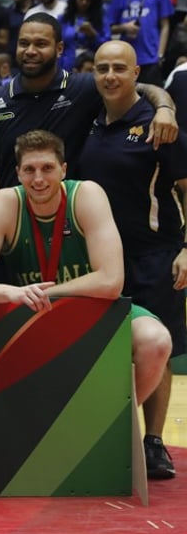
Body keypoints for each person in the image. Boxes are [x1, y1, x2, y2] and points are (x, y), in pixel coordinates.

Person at [0, 128, 172, 475]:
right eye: (29, 170)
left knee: (157, 341)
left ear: (63, 169)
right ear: (17, 173)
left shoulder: (87, 195)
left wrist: (48, 291)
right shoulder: (5, 203)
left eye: (47, 168)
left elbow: (110, 281)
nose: (39, 178)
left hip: (94, 311)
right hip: (32, 316)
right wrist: (10, 293)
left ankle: (105, 426)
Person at [78, 40, 187, 479]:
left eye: (119, 68)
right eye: (102, 68)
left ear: (136, 72)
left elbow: (184, 188)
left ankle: (154, 441)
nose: (109, 76)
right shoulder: (85, 120)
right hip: (98, 261)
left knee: (157, 349)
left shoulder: (158, 127)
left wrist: (186, 248)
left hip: (153, 255)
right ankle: (101, 435)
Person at [0, 13, 178, 187]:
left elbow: (141, 89)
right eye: (24, 43)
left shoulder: (85, 88)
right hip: (14, 219)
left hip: (71, 220)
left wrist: (164, 108)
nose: (30, 51)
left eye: (41, 44)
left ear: (59, 49)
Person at [107, 0, 174, 84]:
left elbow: (165, 25)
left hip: (151, 58)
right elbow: (110, 28)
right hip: (126, 60)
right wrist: (124, 27)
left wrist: (160, 55)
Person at [58, 0, 107, 73]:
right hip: (67, 67)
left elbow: (106, 46)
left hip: (91, 68)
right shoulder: (63, 19)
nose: (84, 2)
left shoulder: (101, 19)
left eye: (88, 0)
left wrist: (93, 34)